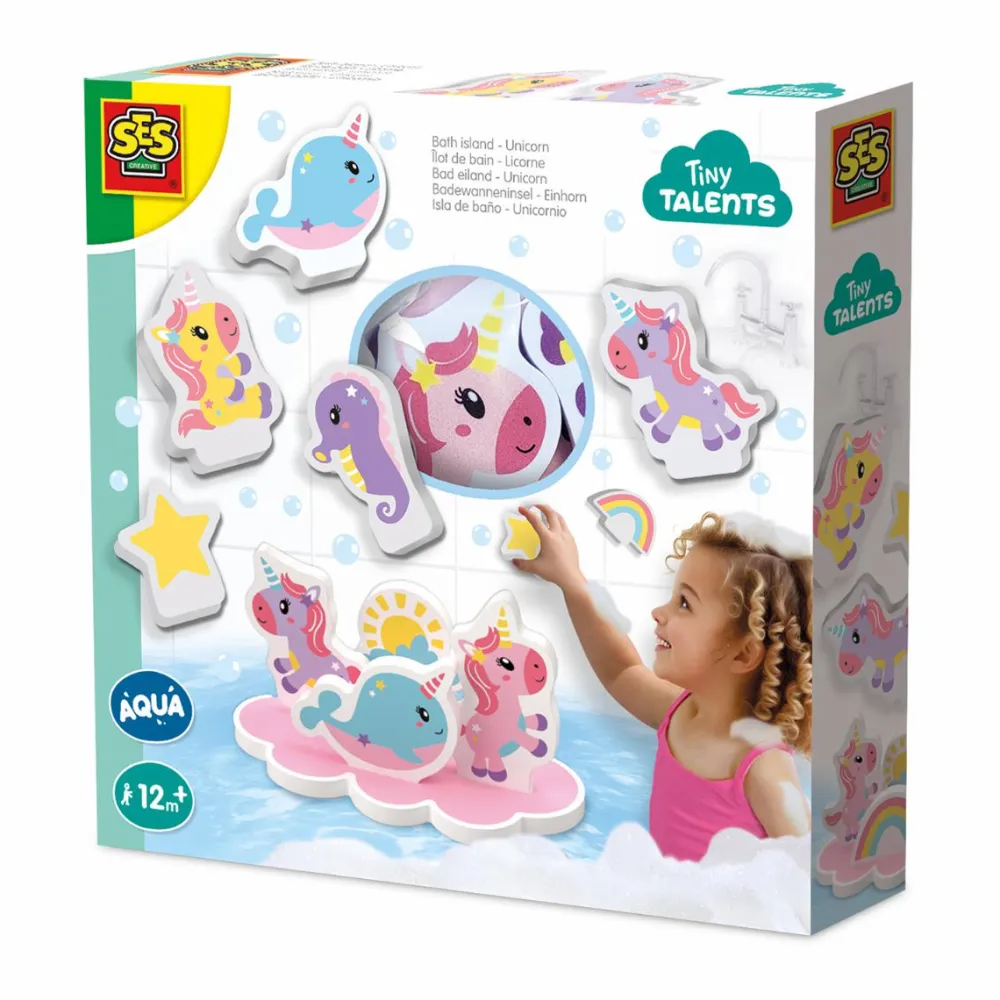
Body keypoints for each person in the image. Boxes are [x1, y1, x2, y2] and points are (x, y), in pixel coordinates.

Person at [512, 505, 813, 862]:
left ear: (743, 653)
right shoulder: (682, 714)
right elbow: (621, 671)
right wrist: (570, 579)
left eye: (684, 603)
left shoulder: (762, 768)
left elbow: (806, 868)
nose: (659, 613)